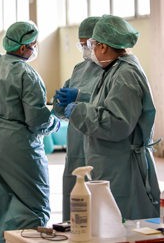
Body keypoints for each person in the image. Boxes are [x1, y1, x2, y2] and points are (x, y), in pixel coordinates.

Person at [63, 14, 160, 220]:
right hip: (112, 163)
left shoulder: (125, 75)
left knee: (124, 225)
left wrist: (79, 110)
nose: (90, 50)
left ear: (103, 46)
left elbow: (117, 124)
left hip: (123, 168)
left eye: (92, 44)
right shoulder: (113, 70)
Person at [0, 21, 61, 242]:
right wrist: (57, 120)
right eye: (33, 44)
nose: (35, 48)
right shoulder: (25, 73)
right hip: (15, 143)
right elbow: (37, 119)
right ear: (23, 48)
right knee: (33, 202)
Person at [52, 16, 103, 222]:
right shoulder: (79, 69)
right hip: (75, 141)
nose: (85, 49)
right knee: (75, 191)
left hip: (99, 140)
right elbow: (63, 111)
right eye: (81, 44)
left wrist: (80, 96)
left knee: (97, 193)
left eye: (88, 44)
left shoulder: (112, 70)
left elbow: (108, 103)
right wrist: (59, 102)